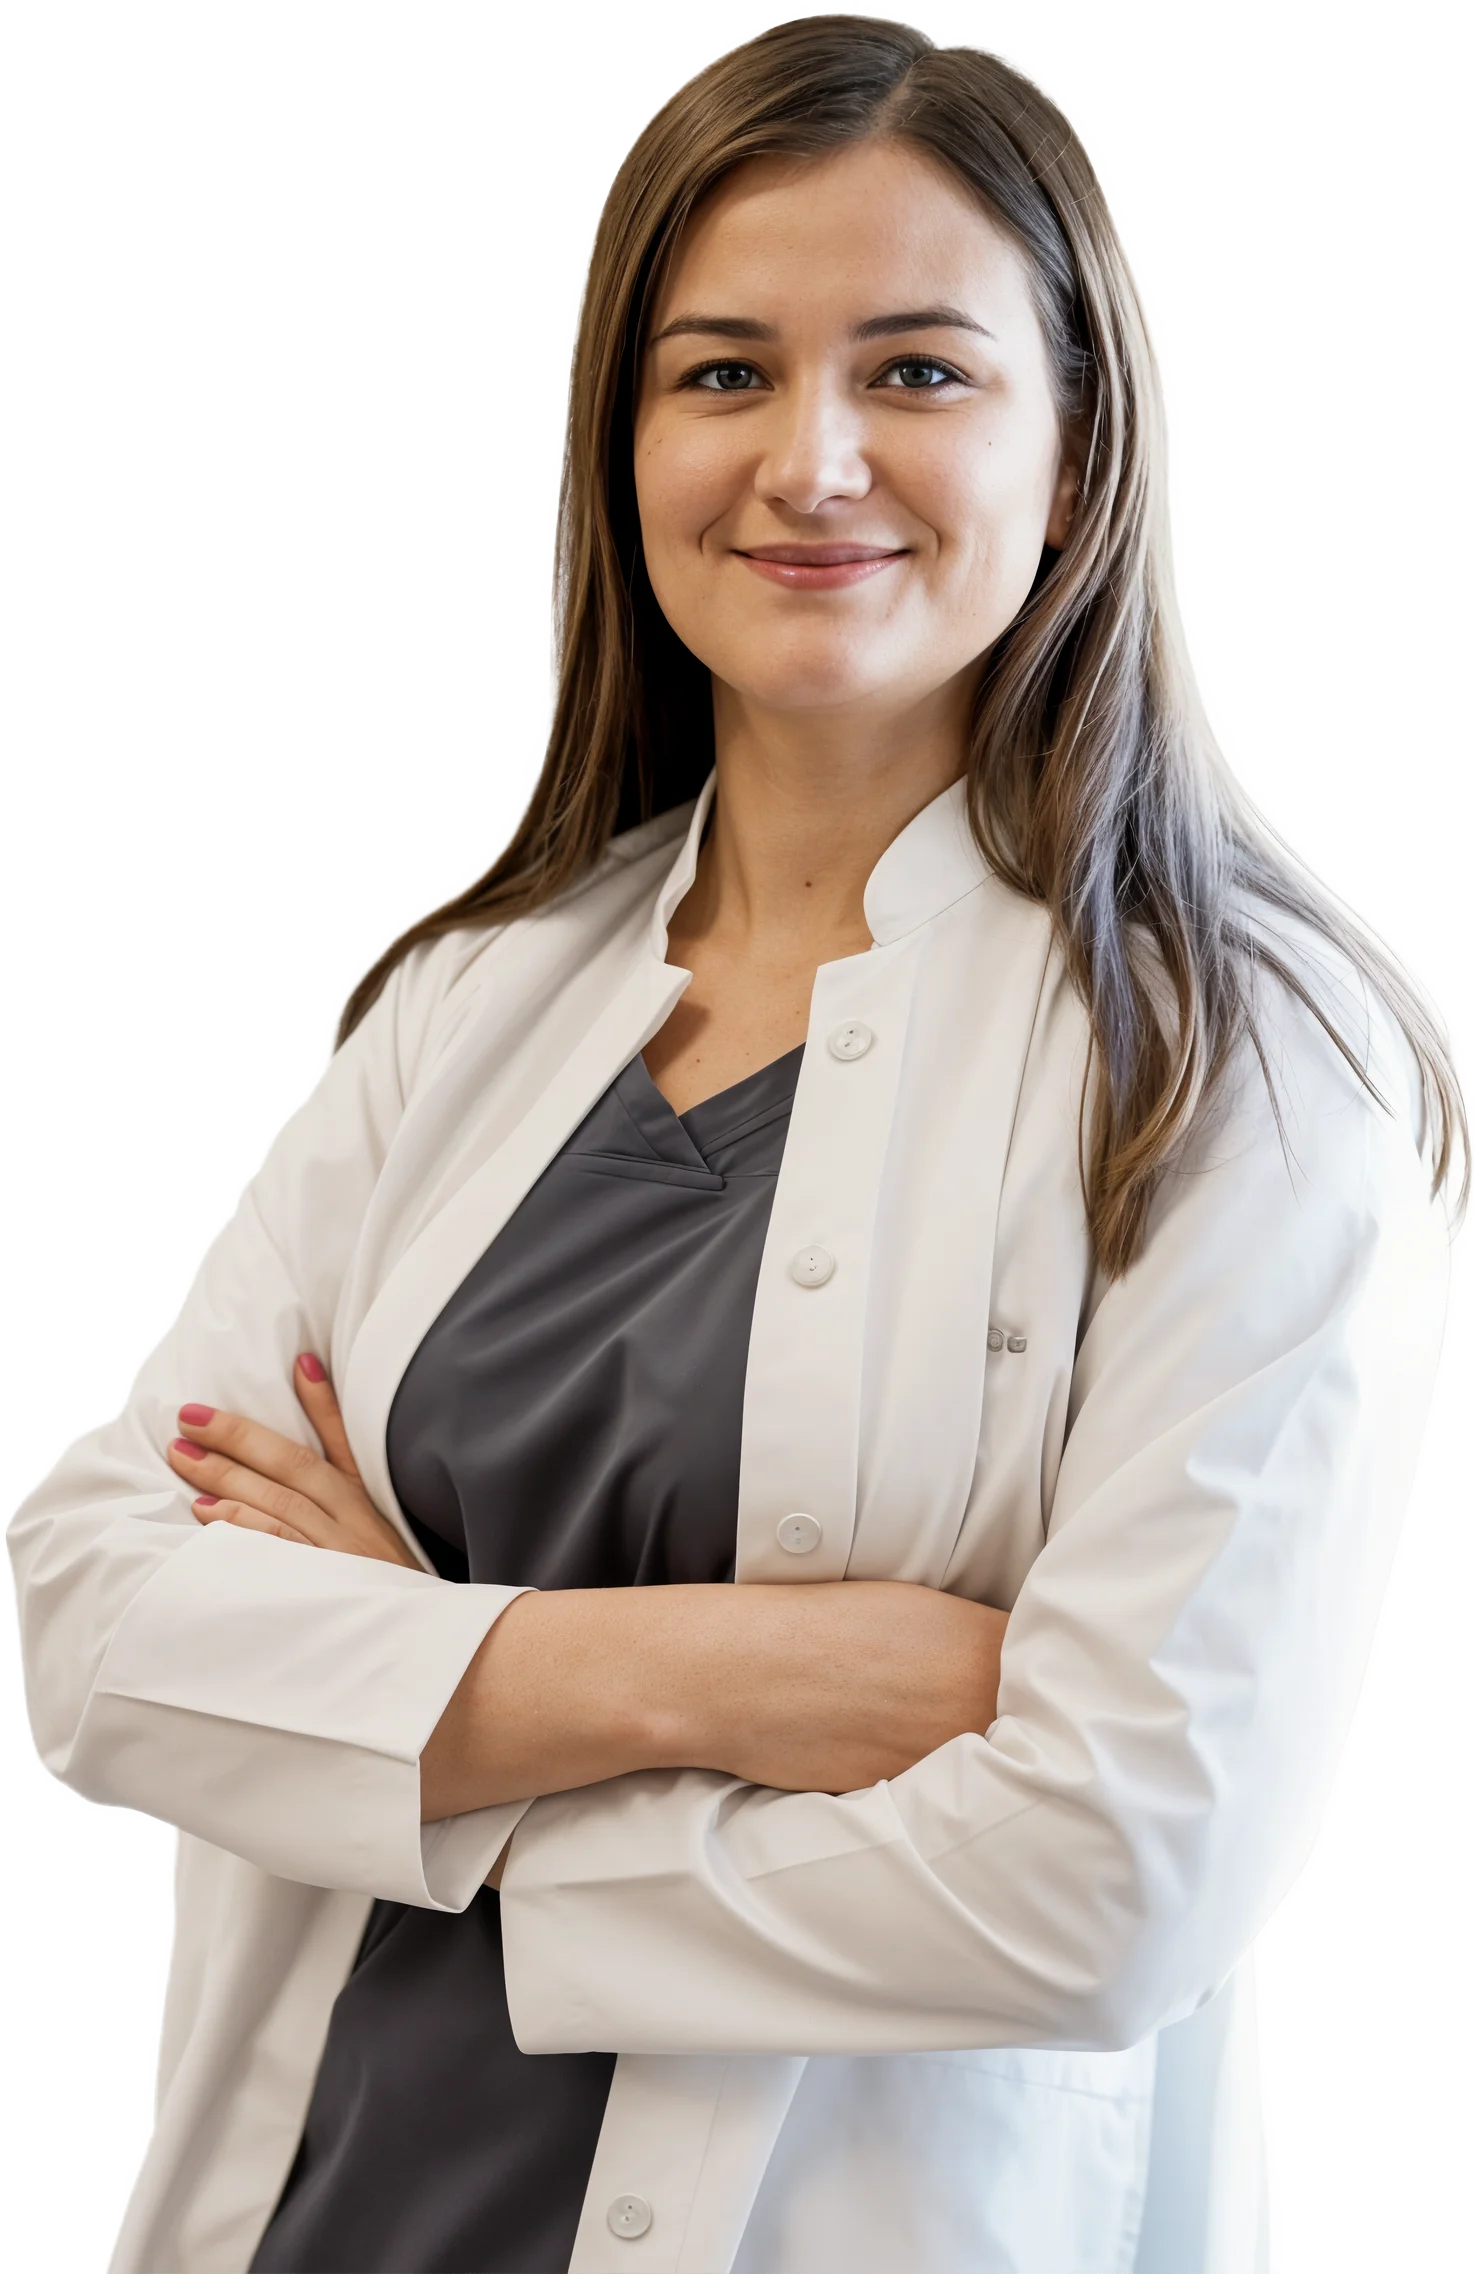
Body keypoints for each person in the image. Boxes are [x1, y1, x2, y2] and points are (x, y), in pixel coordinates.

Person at [6, 16, 1463, 2274]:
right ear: (624, 443)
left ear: (1076, 448)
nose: (809, 459)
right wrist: (748, 1681)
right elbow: (96, 1621)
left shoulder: (1234, 1068)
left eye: (916, 370)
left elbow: (1109, 1873)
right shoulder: (468, 1004)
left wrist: (404, 1699)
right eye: (720, 373)